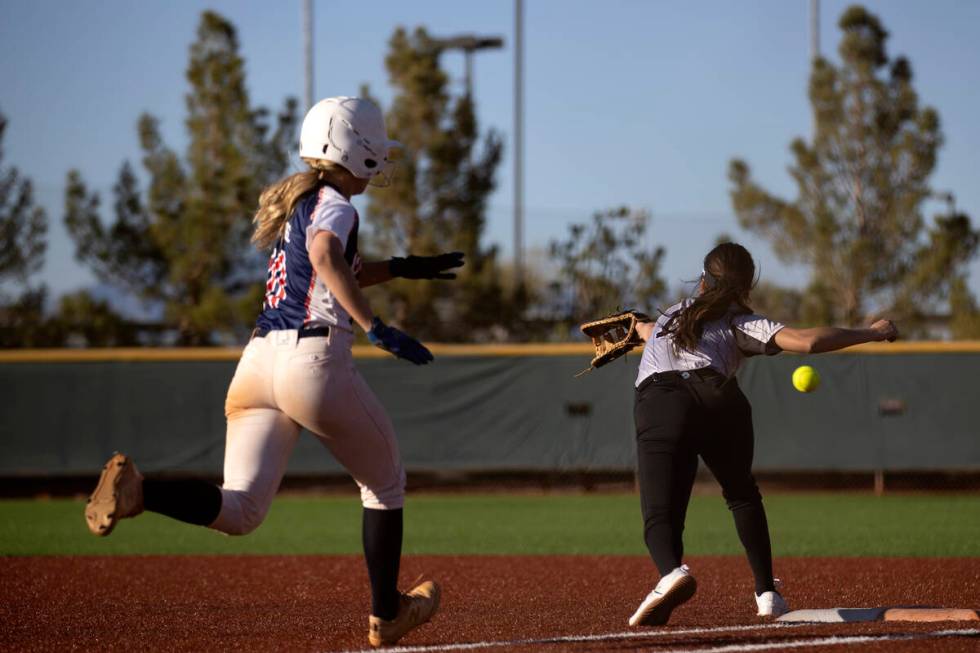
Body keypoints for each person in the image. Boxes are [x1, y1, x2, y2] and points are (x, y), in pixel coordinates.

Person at [84, 96, 462, 647]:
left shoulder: (302, 202)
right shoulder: (335, 204)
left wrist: (400, 268)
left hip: (258, 361)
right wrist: (376, 328)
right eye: (374, 148)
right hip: (312, 361)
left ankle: (142, 492)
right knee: (384, 484)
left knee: (240, 510)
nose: (380, 158)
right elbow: (329, 258)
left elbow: (334, 267)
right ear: (353, 150)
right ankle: (387, 614)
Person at [626, 242, 898, 627]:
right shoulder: (742, 322)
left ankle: (671, 573)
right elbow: (807, 342)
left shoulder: (672, 315)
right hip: (720, 398)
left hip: (662, 401)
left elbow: (650, 329)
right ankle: (766, 592)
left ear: (702, 281)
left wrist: (637, 326)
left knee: (661, 511)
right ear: (745, 287)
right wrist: (872, 332)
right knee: (741, 495)